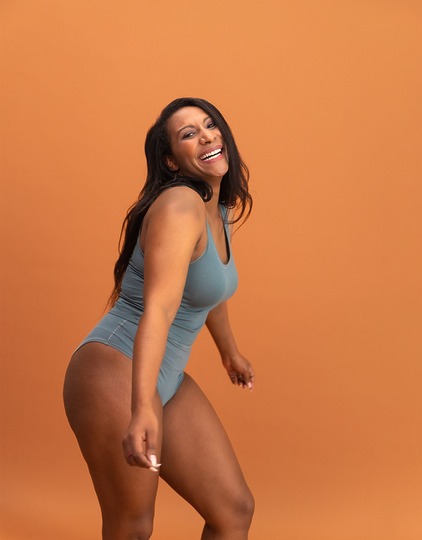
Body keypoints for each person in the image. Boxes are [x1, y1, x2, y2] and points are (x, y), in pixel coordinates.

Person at [63, 97, 255, 539]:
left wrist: (230, 353)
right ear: (171, 161)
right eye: (189, 133)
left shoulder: (215, 208)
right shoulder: (180, 207)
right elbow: (160, 309)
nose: (206, 135)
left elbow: (209, 291)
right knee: (132, 526)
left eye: (210, 125)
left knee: (234, 510)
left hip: (159, 372)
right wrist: (141, 405)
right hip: (115, 368)